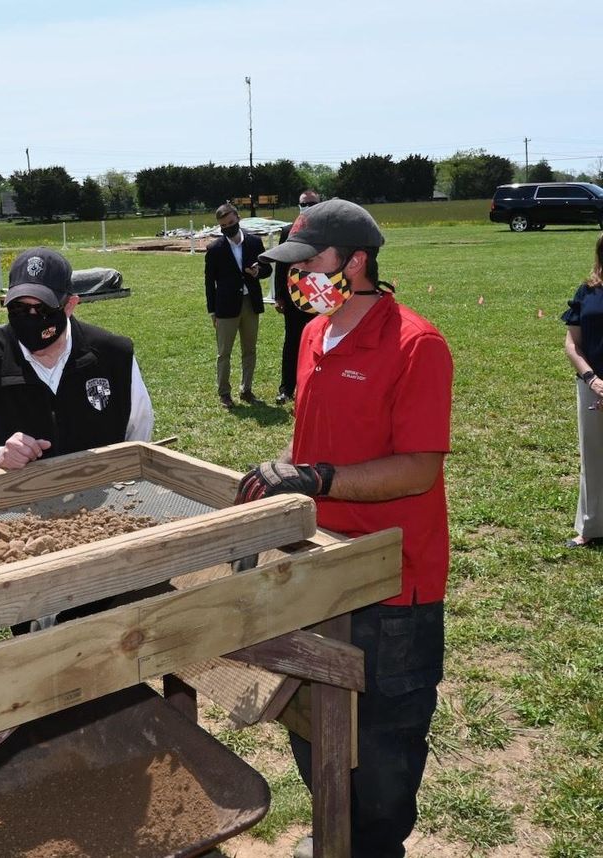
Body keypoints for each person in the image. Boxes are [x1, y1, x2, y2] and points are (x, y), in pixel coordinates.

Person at [237, 199, 453, 858]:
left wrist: (319, 477)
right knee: (312, 722)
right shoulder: (311, 335)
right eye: (291, 266)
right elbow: (313, 447)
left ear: (354, 262)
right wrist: (283, 479)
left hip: (394, 589)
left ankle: (370, 846)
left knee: (384, 753)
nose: (296, 277)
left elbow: (418, 469)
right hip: (315, 568)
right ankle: (336, 833)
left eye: (308, 264)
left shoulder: (416, 344)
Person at [0, 246, 154, 471]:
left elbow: (139, 431)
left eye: (43, 310)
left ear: (70, 305)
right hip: (12, 501)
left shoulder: (114, 355)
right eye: (19, 308)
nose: (31, 319)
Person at [204, 202, 273, 408]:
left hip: (250, 303)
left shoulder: (254, 242)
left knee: (249, 349)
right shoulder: (214, 248)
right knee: (224, 353)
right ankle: (224, 393)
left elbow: (267, 269)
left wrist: (258, 272)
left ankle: (247, 390)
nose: (228, 227)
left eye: (231, 223)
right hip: (225, 307)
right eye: (223, 226)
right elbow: (209, 282)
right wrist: (212, 311)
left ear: (238, 218)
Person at [561, 231, 603, 548]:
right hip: (592, 385)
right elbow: (571, 343)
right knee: (592, 456)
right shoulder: (586, 291)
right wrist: (592, 379)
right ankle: (590, 527)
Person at [271, 189, 321, 404]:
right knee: (292, 342)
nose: (308, 207)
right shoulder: (288, 231)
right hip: (295, 297)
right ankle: (286, 388)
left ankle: (315, 386)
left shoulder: (328, 231)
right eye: (304, 204)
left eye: (312, 203)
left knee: (320, 343)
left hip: (322, 297)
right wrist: (280, 296)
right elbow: (281, 265)